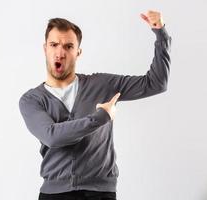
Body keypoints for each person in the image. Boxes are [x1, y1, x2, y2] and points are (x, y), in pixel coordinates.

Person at [19, 10, 171, 200]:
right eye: (54, 45)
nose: (60, 52)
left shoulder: (101, 84)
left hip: (100, 193)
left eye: (68, 46)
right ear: (45, 48)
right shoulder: (32, 99)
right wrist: (101, 117)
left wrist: (161, 34)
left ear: (78, 52)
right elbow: (52, 136)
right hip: (55, 194)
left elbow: (155, 83)